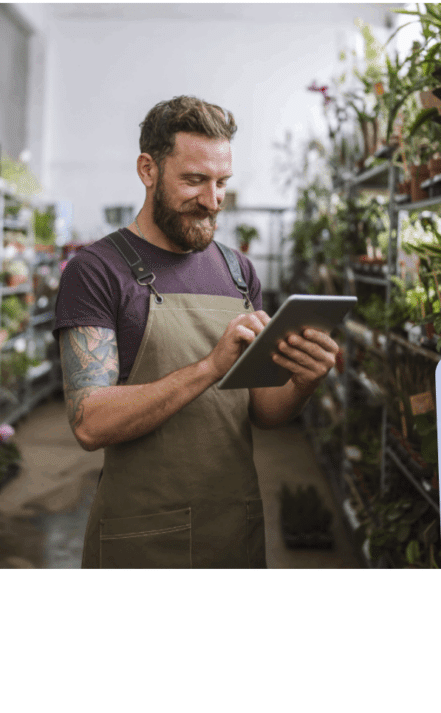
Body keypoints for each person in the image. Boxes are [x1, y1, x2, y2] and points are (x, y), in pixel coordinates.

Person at [53, 96, 340, 568]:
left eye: (221, 182)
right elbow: (90, 422)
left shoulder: (238, 272)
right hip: (141, 541)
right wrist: (209, 367)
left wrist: (304, 381)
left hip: (234, 533)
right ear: (148, 169)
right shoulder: (96, 271)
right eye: (193, 180)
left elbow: (261, 410)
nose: (212, 200)